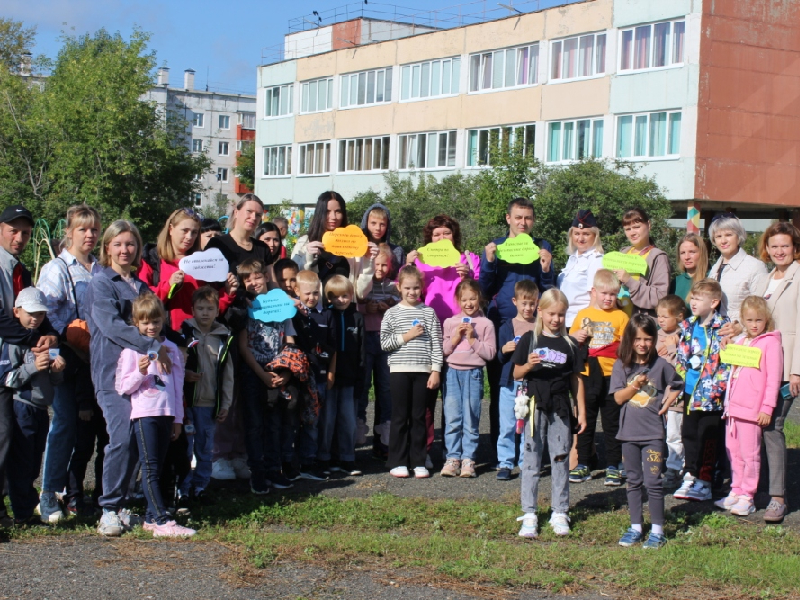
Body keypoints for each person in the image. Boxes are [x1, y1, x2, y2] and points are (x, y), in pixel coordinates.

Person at [85, 220, 174, 537]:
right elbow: (111, 326)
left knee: (140, 440)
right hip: (113, 375)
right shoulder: (100, 284)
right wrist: (152, 346)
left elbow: (157, 324)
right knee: (121, 437)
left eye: (131, 244)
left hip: (145, 378)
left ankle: (123, 505)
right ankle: (108, 508)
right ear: (106, 247)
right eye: (118, 244)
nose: (125, 249)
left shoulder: (142, 287)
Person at [37, 204, 103, 523]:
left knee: (85, 430)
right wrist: (64, 340)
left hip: (94, 357)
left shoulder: (99, 269)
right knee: (63, 422)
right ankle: (48, 494)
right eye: (82, 229)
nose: (89, 235)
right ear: (69, 232)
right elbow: (43, 314)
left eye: (93, 229)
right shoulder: (57, 269)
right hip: (64, 355)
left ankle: (71, 492)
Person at [480, 198, 554, 465]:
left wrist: (546, 268)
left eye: (528, 218)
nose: (523, 223)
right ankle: (501, 453)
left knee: (532, 385)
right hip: (502, 325)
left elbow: (548, 289)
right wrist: (488, 262)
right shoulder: (496, 247)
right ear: (508, 218)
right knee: (501, 386)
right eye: (518, 217)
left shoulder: (541, 247)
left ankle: (529, 450)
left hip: (534, 327)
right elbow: (484, 290)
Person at [0, 205, 59, 529]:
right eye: (13, 230)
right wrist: (33, 338)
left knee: (14, 442)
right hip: (7, 363)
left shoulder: (18, 269)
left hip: (12, 368)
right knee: (5, 437)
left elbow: (37, 315)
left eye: (25, 232)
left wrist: (49, 336)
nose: (19, 237)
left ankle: (14, 508)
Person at [115, 294, 193, 537]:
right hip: (145, 414)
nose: (151, 327)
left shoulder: (171, 350)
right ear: (136, 323)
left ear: (163, 320)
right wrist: (139, 372)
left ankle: (150, 517)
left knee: (159, 468)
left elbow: (178, 388)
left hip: (167, 414)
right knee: (149, 468)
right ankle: (161, 520)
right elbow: (123, 386)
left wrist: (178, 420)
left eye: (156, 322)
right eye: (145, 322)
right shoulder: (131, 350)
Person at [206, 194, 271, 480]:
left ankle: (240, 453)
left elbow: (270, 283)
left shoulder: (260, 248)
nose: (253, 218)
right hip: (225, 325)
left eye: (258, 214)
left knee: (246, 394)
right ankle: (219, 455)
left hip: (256, 328)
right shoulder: (218, 245)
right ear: (236, 211)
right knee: (225, 392)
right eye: (249, 212)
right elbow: (206, 285)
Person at [513, 289, 586, 539]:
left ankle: (560, 511)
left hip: (561, 406)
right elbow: (515, 373)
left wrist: (582, 411)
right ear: (540, 312)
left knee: (560, 457)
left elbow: (577, 380)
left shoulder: (570, 344)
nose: (556, 319)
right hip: (534, 404)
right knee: (532, 457)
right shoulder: (528, 340)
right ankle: (530, 512)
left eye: (561, 315)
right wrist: (529, 366)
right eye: (552, 313)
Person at [611, 314, 682, 549]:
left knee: (653, 483)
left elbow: (680, 382)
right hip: (628, 435)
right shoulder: (622, 365)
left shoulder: (660, 365)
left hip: (653, 435)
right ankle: (635, 527)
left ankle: (658, 531)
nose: (643, 344)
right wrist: (635, 385)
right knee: (633, 481)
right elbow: (619, 399)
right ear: (630, 339)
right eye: (638, 339)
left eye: (648, 339)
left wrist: (668, 402)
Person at [3, 288, 66, 525]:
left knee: (34, 461)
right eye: (30, 314)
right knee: (21, 462)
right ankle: (22, 513)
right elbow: (7, 378)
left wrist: (57, 371)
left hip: (41, 408)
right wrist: (33, 367)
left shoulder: (46, 339)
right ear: (16, 312)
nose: (35, 319)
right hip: (21, 406)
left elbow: (54, 381)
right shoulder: (14, 341)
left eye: (40, 314)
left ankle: (26, 506)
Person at [715, 296, 782, 517]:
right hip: (733, 409)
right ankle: (736, 489)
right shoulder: (742, 341)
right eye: (750, 320)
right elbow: (732, 368)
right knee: (733, 452)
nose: (754, 325)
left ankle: (748, 495)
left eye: (759, 320)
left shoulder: (771, 342)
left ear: (766, 320)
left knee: (749, 454)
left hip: (752, 411)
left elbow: (773, 378)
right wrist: (726, 347)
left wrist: (767, 407)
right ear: (742, 320)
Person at [752, 221, 800, 522]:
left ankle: (778, 498)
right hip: (760, 365)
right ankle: (760, 487)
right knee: (759, 426)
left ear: (794, 248)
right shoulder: (765, 279)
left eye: (785, 245)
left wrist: (797, 372)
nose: (779, 251)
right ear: (766, 250)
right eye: (774, 246)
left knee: (773, 426)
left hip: (787, 367)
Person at [237, 258, 296, 494]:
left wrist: (285, 369)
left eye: (257, 276)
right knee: (254, 425)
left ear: (265, 277)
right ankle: (257, 473)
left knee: (274, 424)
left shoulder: (280, 303)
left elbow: (289, 339)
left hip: (278, 370)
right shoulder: (244, 307)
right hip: (253, 372)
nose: (253, 282)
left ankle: (274, 470)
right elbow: (243, 347)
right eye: (247, 279)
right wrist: (261, 374)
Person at [380, 265, 442, 479]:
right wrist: (406, 336)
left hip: (423, 371)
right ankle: (398, 461)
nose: (412, 292)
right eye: (407, 288)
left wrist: (436, 370)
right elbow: (385, 343)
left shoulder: (429, 313)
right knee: (399, 416)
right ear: (399, 287)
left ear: (422, 288)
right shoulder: (392, 313)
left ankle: (418, 460)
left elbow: (436, 343)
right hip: (399, 370)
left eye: (416, 288)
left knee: (418, 416)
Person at [569, 270, 629, 486]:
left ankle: (614, 465)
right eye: (604, 293)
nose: (608, 298)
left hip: (612, 376)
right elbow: (571, 341)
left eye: (613, 294)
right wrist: (576, 337)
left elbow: (626, 346)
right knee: (585, 421)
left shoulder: (621, 316)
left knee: (612, 423)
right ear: (594, 292)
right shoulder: (583, 314)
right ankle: (583, 462)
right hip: (587, 376)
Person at [673, 279, 731, 502]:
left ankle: (705, 480)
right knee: (689, 433)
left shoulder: (723, 327)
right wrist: (678, 382)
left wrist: (718, 388)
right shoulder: (688, 325)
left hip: (711, 394)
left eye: (699, 299)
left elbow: (726, 362)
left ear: (714, 302)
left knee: (708, 436)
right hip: (689, 390)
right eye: (693, 298)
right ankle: (691, 473)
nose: (693, 302)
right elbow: (682, 356)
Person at [178, 286, 234, 502]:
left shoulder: (223, 338)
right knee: (185, 449)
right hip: (186, 402)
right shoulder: (184, 333)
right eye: (200, 308)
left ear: (217, 311)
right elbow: (174, 365)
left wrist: (225, 404)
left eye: (209, 308)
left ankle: (200, 487)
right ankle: (182, 488)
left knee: (205, 448)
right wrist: (185, 374)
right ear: (192, 310)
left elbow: (228, 375)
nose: (204, 313)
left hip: (210, 403)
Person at [140, 208, 236, 331]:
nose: (189, 237)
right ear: (170, 229)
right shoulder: (151, 259)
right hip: (165, 337)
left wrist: (228, 293)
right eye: (184, 231)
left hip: (199, 338)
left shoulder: (204, 261)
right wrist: (168, 286)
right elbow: (142, 301)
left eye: (194, 232)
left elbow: (212, 308)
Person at [441, 280, 496, 478]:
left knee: (471, 418)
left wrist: (473, 339)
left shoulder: (486, 324)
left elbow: (490, 354)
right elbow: (443, 351)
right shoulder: (450, 322)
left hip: (474, 373)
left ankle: (468, 459)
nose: (469, 303)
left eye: (473, 299)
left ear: (479, 298)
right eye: (464, 299)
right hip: (452, 373)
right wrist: (456, 338)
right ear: (458, 300)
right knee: (453, 417)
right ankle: (452, 458)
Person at [356, 244, 399, 461]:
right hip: (365, 340)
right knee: (363, 388)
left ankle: (384, 441)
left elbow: (404, 303)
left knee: (385, 389)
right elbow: (354, 303)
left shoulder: (394, 287)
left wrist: (390, 305)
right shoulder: (363, 283)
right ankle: (357, 437)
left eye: (384, 264)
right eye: (376, 264)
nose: (380, 268)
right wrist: (366, 308)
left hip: (386, 342)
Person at [292, 270, 336, 481]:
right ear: (296, 291)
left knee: (313, 421)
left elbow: (333, 347)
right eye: (307, 293)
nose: (312, 298)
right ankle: (295, 462)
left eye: (316, 294)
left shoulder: (325, 315)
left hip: (319, 377)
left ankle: (310, 461)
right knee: (296, 421)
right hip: (298, 377)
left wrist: (330, 373)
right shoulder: (293, 314)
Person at [318, 275, 365, 476]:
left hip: (350, 379)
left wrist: (361, 378)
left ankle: (348, 458)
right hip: (329, 378)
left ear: (351, 295)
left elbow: (362, 352)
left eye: (345, 296)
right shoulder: (327, 317)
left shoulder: (357, 317)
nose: (340, 300)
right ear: (328, 297)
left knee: (348, 420)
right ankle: (325, 458)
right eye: (335, 297)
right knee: (327, 420)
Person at [495, 280, 539, 481]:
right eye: (524, 303)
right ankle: (505, 462)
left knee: (528, 426)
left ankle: (525, 462)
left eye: (532, 303)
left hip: (532, 384)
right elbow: (499, 358)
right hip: (510, 384)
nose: (528, 308)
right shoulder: (507, 326)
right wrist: (504, 350)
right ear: (515, 302)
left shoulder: (540, 326)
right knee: (508, 425)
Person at [292, 191, 376, 286]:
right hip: (317, 301)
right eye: (327, 212)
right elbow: (296, 283)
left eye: (338, 211)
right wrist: (308, 258)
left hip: (347, 301)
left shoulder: (354, 244)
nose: (333, 217)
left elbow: (360, 293)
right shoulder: (304, 243)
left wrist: (368, 261)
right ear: (319, 213)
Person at [707, 213, 767, 324]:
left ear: (739, 236)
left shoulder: (754, 266)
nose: (723, 241)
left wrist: (740, 326)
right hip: (716, 335)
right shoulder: (714, 269)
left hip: (741, 337)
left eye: (728, 235)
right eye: (718, 236)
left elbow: (761, 307)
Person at [612, 208, 670, 317]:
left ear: (648, 225)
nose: (632, 233)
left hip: (641, 325)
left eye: (637, 227)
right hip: (618, 323)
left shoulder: (658, 257)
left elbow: (660, 298)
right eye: (628, 229)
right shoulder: (622, 254)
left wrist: (629, 281)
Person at [655, 294, 687, 488]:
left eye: (665, 316)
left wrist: (673, 347)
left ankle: (675, 468)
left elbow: (683, 365)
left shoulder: (684, 335)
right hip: (657, 392)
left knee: (675, 432)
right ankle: (659, 463)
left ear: (679, 317)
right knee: (661, 431)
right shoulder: (655, 335)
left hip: (676, 394)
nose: (661, 320)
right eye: (659, 315)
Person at [558, 209, 605, 328]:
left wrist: (584, 327)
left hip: (579, 323)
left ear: (595, 236)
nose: (580, 238)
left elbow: (595, 297)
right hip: (564, 321)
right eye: (577, 233)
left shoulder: (596, 259)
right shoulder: (573, 257)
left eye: (586, 234)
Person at [361, 202, 405, 276]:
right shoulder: (357, 250)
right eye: (373, 223)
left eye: (382, 224)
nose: (378, 228)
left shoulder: (397, 252)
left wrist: (409, 263)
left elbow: (400, 280)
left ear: (387, 226)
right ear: (366, 224)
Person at [670, 233, 709, 309]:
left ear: (702, 253)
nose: (686, 257)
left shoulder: (711, 278)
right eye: (682, 253)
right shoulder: (675, 282)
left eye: (692, 252)